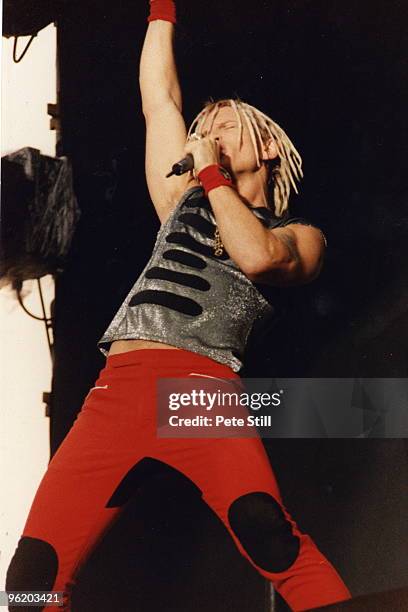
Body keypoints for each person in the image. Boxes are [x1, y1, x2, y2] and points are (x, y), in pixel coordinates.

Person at [6, 1, 352, 610]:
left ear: (267, 145)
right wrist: (161, 9)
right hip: (116, 392)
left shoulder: (302, 234)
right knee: (32, 576)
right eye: (202, 128)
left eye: (221, 126)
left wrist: (213, 175)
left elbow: (259, 256)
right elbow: (159, 98)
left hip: (199, 394)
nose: (203, 134)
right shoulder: (180, 201)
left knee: (269, 539)